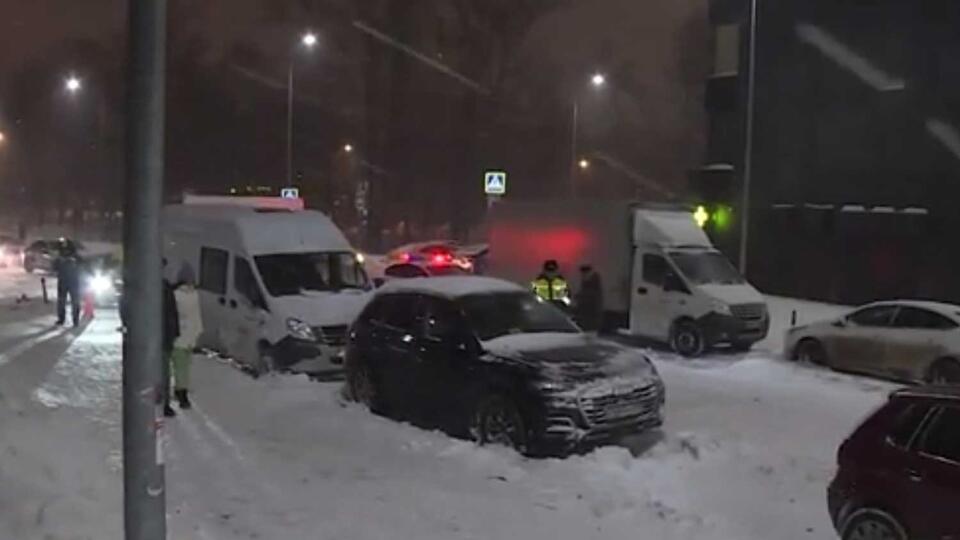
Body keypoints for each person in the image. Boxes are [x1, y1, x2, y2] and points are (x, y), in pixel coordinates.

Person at [170, 264, 199, 410]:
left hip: (178, 336)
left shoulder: (175, 294)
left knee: (177, 367)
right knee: (184, 368)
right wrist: (196, 333)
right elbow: (196, 317)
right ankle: (182, 394)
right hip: (188, 337)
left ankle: (177, 392)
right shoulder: (194, 295)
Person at [162, 270, 180, 417]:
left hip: (163, 336)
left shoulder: (165, 287)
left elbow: (172, 312)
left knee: (163, 371)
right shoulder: (164, 287)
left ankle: (163, 401)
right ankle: (162, 401)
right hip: (158, 336)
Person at [54, 242, 82, 326]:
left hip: (72, 282)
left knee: (74, 302)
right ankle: (62, 319)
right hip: (65, 282)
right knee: (62, 302)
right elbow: (54, 267)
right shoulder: (60, 259)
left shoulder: (76, 258)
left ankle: (74, 320)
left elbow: (82, 266)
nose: (65, 252)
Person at [574, 264, 605, 332]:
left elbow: (590, 298)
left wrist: (579, 297)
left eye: (584, 274)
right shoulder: (589, 283)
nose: (582, 276)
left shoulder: (592, 285)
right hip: (590, 314)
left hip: (590, 315)